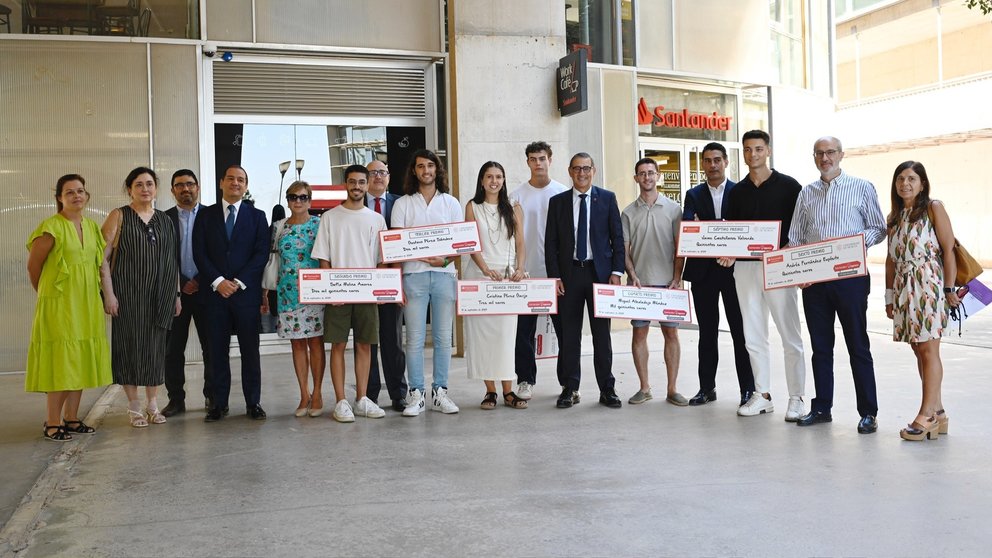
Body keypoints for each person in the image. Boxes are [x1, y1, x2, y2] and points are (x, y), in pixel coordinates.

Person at [789, 137, 886, 434]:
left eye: (830, 152)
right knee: (820, 347)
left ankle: (868, 412)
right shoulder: (807, 193)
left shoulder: (862, 187)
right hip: (816, 284)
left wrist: (855, 247)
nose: (825, 158)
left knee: (857, 344)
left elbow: (878, 227)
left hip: (850, 280)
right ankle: (821, 408)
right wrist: (797, 271)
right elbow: (796, 237)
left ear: (841, 155)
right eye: (819, 153)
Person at [720, 130, 806, 420]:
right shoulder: (737, 191)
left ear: (767, 150)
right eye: (747, 150)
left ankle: (797, 398)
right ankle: (763, 395)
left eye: (758, 149)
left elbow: (800, 230)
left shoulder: (790, 187)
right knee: (753, 334)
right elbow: (732, 231)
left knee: (789, 334)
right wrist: (729, 252)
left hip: (779, 267)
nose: (753, 154)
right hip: (745, 269)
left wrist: (785, 253)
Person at [26, 174, 113, 441]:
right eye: (69, 192)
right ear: (59, 198)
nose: (76, 196)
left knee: (81, 359)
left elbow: (101, 266)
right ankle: (52, 422)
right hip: (60, 304)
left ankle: (72, 418)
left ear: (87, 196)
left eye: (80, 191)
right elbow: (33, 265)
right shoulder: (51, 226)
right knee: (62, 363)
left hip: (86, 302)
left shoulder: (91, 227)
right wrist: (47, 294)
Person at [884, 161, 960, 441]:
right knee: (918, 349)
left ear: (923, 183)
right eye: (900, 179)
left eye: (912, 178)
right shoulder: (894, 217)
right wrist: (890, 296)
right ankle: (937, 411)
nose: (905, 183)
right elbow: (891, 261)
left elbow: (949, 250)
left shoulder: (933, 208)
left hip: (929, 285)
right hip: (904, 289)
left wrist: (949, 288)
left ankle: (926, 415)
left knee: (929, 350)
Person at [100, 167, 181, 428]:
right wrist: (109, 294)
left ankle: (153, 405)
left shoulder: (165, 220)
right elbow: (101, 260)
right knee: (129, 348)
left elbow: (172, 262)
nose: (145, 189)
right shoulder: (119, 216)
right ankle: (134, 407)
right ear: (129, 189)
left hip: (159, 296)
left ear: (156, 188)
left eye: (149, 184)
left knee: (156, 351)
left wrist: (176, 295)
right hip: (127, 296)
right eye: (139, 184)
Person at [545, 153, 625, 409]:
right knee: (570, 335)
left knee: (602, 335)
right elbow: (551, 243)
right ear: (569, 171)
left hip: (600, 275)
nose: (582, 173)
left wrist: (617, 271)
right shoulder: (557, 202)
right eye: (577, 168)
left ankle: (607, 389)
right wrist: (555, 276)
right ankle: (570, 387)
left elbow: (617, 239)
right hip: (570, 275)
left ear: (594, 170)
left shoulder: (608, 198)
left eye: (586, 168)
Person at [192, 164, 270, 422]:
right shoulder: (205, 216)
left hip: (245, 296)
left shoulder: (258, 217)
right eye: (231, 179)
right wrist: (217, 281)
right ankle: (218, 404)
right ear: (221, 183)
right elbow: (199, 253)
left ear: (246, 186)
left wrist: (237, 281)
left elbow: (261, 254)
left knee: (250, 351)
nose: (236, 183)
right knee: (216, 351)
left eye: (241, 180)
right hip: (214, 296)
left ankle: (253, 403)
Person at [312, 165, 388, 422]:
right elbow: (324, 259)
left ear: (368, 185)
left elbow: (381, 260)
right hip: (339, 295)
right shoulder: (330, 217)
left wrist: (378, 289)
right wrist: (330, 290)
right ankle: (341, 401)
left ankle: (362, 399)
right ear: (345, 184)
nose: (357, 186)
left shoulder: (376, 219)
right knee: (338, 345)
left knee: (365, 344)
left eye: (361, 182)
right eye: (352, 182)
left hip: (366, 294)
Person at [682, 143, 755, 409]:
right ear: (702, 165)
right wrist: (722, 227)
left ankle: (748, 390)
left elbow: (745, 229)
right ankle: (706, 388)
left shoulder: (740, 191)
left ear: (726, 162)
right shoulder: (693, 194)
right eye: (707, 161)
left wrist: (710, 227)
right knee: (707, 333)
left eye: (717, 160)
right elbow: (689, 227)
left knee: (740, 332)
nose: (712, 165)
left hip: (735, 272)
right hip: (703, 274)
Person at [391, 149, 462, 417]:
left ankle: (440, 391)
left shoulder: (451, 203)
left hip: (444, 276)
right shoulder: (403, 204)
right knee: (415, 339)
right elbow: (397, 246)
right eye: (421, 166)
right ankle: (416, 393)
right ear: (414, 171)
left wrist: (442, 261)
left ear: (437, 170)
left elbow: (461, 245)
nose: (426, 171)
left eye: (430, 166)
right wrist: (397, 282)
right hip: (413, 276)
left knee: (444, 338)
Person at [621, 157, 686, 406]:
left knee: (671, 334)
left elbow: (680, 247)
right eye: (642, 173)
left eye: (651, 173)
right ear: (636, 178)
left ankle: (672, 389)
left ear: (658, 176)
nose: (647, 177)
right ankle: (644, 387)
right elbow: (625, 250)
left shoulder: (673, 209)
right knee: (639, 335)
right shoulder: (627, 212)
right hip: (639, 284)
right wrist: (632, 274)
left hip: (668, 283)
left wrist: (677, 277)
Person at [464, 161, 528, 410]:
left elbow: (521, 242)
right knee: (482, 338)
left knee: (505, 337)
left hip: (506, 278)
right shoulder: (472, 206)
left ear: (504, 180)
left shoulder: (513, 207)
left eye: (499, 176)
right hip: (480, 277)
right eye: (489, 176)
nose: (494, 181)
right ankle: (490, 391)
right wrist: (483, 268)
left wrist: (521, 268)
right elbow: (471, 243)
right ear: (481, 180)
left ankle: (509, 390)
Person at [509, 141, 568, 400]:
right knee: (524, 333)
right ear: (528, 162)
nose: (538, 163)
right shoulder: (517, 195)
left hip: (558, 276)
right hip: (527, 274)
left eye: (542, 158)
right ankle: (525, 380)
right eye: (533, 159)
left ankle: (568, 381)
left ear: (550, 160)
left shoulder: (563, 193)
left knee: (565, 331)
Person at [263, 181, 324, 417]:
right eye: (292, 197)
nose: (298, 201)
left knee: (315, 343)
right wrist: (265, 294)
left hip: (314, 293)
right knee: (297, 344)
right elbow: (272, 262)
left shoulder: (320, 224)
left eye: (303, 197)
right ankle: (304, 394)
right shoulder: (279, 227)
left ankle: (317, 394)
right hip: (287, 294)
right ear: (287, 201)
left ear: (310, 200)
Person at [162, 169, 213, 417]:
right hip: (176, 294)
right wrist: (181, 281)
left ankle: (212, 397)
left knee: (211, 348)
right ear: (172, 190)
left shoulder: (212, 215)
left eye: (190, 184)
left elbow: (217, 254)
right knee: (172, 350)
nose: (185, 189)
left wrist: (201, 279)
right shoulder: (163, 219)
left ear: (198, 187)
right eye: (179, 185)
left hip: (206, 292)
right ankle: (175, 400)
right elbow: (160, 258)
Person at [364, 159, 408, 412]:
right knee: (368, 341)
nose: (378, 176)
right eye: (372, 173)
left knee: (393, 341)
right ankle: (370, 394)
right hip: (367, 282)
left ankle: (398, 393)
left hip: (393, 281)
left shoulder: (401, 203)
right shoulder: (356, 206)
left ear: (389, 177)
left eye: (382, 172)